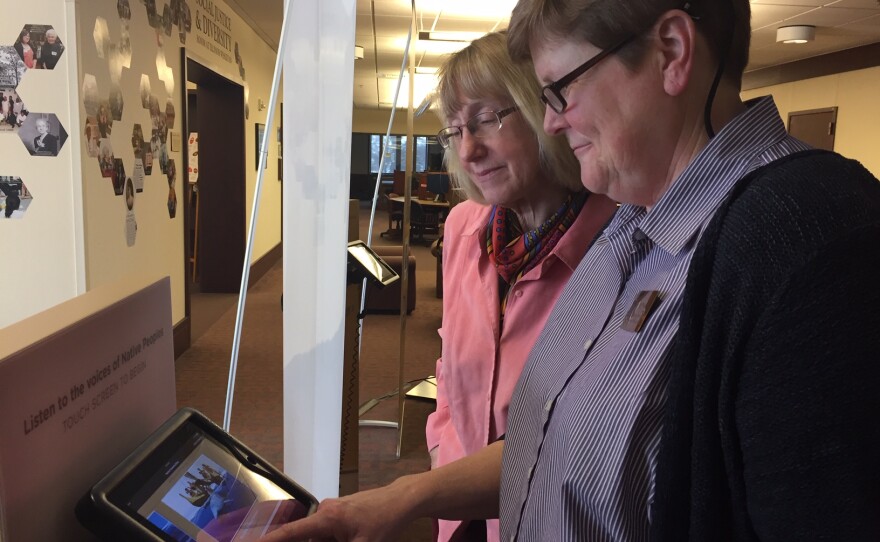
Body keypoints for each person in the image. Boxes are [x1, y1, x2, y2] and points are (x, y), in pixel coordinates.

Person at [261, 0, 880, 540]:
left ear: (671, 52)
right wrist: (402, 499)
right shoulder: (632, 229)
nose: (551, 120)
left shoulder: (810, 238)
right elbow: (548, 447)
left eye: (560, 89)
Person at [427, 32, 616, 542]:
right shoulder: (463, 229)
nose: (469, 149)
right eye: (455, 129)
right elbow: (449, 376)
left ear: (545, 112)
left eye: (488, 118)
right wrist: (444, 464)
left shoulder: (620, 241)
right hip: (458, 513)